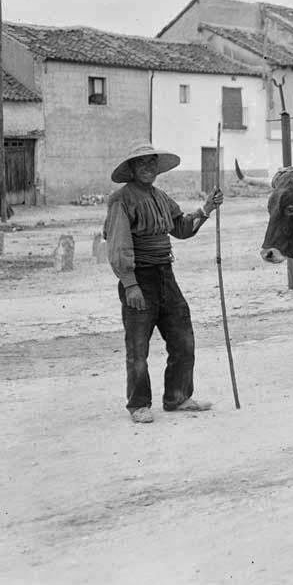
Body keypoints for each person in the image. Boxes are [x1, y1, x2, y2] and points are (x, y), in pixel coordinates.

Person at [103, 142, 224, 424]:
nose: (147, 168)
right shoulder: (121, 199)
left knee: (183, 338)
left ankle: (178, 396)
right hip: (139, 278)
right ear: (131, 169)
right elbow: (118, 245)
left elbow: (181, 228)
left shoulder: (161, 197)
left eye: (152, 163)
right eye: (141, 163)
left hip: (166, 275)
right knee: (138, 347)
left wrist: (206, 209)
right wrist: (130, 284)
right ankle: (139, 404)